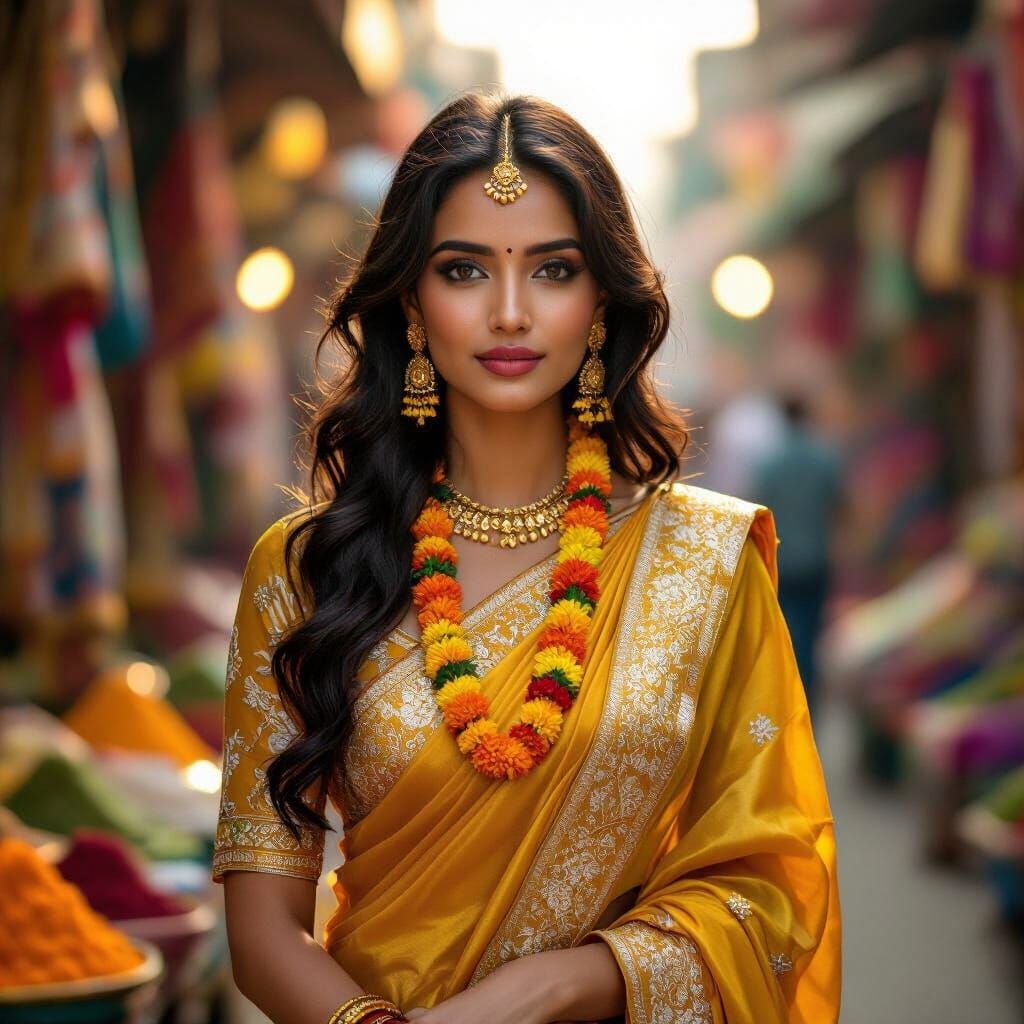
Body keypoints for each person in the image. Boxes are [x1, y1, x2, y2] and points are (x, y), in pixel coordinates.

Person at [213, 92, 841, 1024]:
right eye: (465, 270)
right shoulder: (309, 570)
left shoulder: (703, 563)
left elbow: (768, 891)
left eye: (553, 270)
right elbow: (263, 927)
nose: (510, 312)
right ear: (412, 304)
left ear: (600, 303)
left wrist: (550, 988)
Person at [750, 394, 844, 721]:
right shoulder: (824, 459)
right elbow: (840, 507)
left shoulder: (769, 463)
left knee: (783, 635)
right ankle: (809, 708)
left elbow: (756, 509)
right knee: (811, 635)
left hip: (780, 560)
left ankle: (787, 704)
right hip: (816, 559)